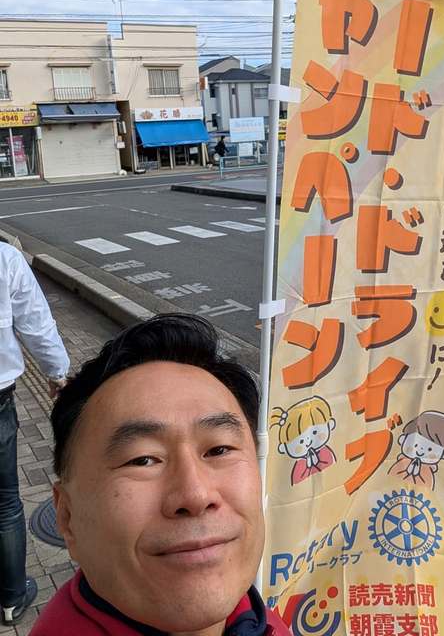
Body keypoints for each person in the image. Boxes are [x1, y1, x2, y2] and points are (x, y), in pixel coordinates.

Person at [30, 313, 290, 636]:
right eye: (142, 460)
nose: (195, 495)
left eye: (219, 449)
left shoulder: (255, 617)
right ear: (67, 516)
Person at [0, 241, 69, 626]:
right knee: (5, 501)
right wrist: (57, 373)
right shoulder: (4, 259)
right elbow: (36, 323)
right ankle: (11, 598)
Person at [270, 396, 336, 486]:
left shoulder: (326, 454)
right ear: (284, 447)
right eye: (301, 441)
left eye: (315, 432)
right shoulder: (299, 467)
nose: (308, 442)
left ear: (330, 424)